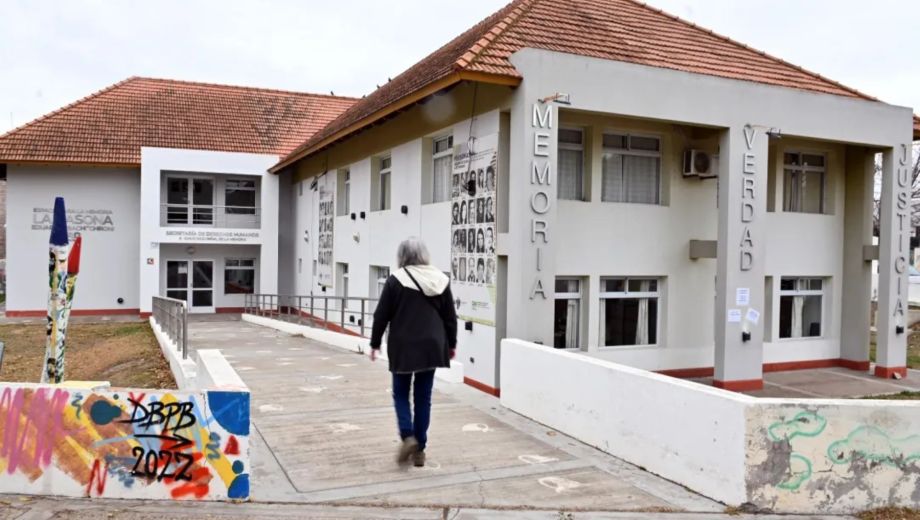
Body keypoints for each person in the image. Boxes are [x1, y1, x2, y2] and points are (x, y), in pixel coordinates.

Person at [370, 238, 457, 468]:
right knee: (423, 397)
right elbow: (450, 316)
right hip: (431, 345)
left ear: (402, 256)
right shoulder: (440, 279)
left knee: (400, 393)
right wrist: (452, 344)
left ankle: (408, 436)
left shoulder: (395, 281)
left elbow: (381, 315)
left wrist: (375, 342)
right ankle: (420, 450)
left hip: (404, 346)